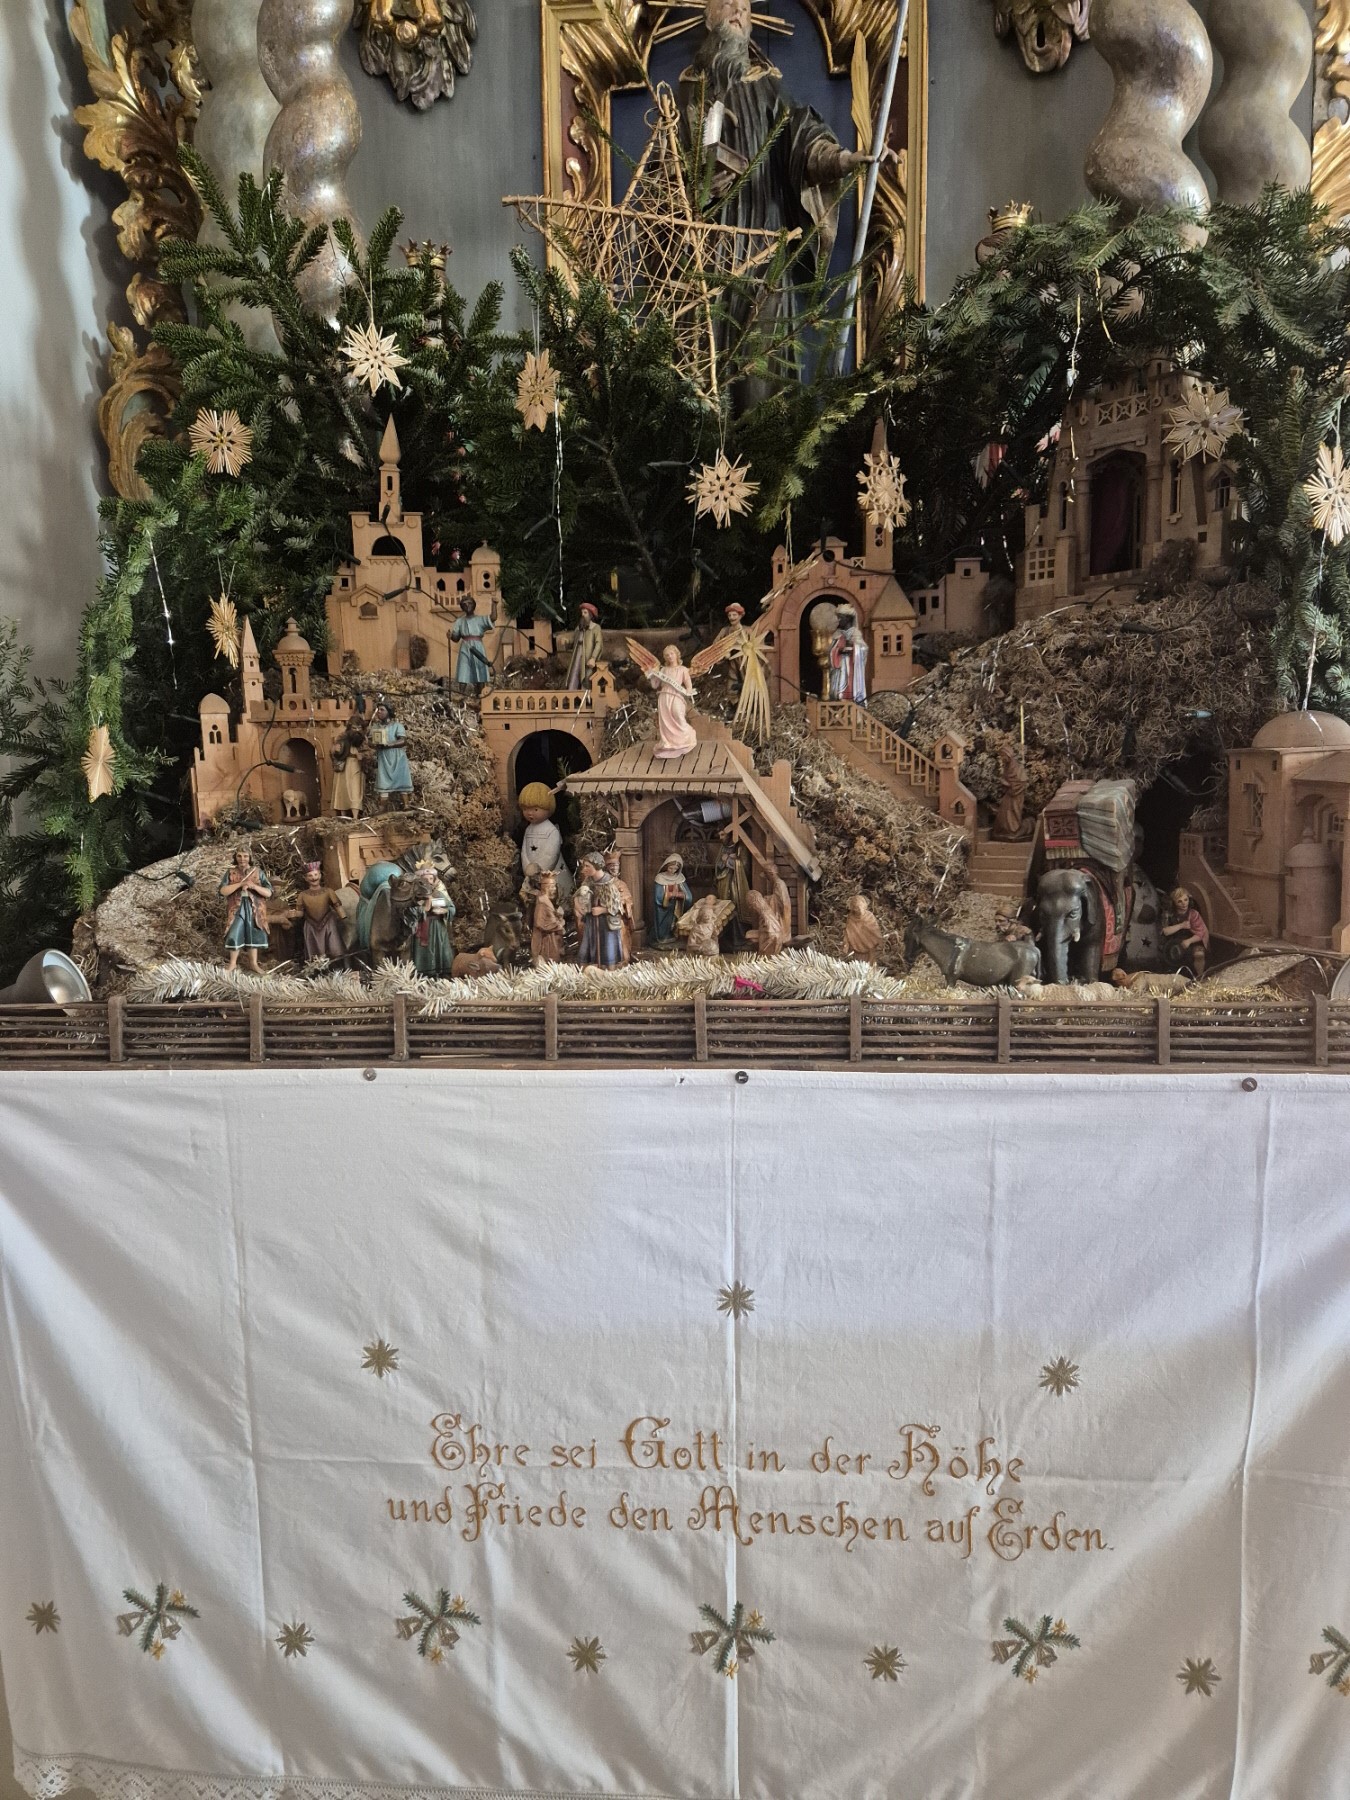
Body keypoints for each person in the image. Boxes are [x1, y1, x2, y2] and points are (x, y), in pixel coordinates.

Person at [678, 0, 878, 404]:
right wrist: (699, 186)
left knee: (761, 377)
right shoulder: (687, 92)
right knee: (705, 378)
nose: (738, 11)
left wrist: (841, 159)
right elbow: (665, 172)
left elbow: (804, 141)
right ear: (707, 16)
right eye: (727, 2)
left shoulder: (768, 87)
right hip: (705, 258)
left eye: (746, 6)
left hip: (764, 252)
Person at [219, 849, 273, 973]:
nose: (242, 859)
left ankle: (253, 963)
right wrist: (240, 884)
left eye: (245, 856)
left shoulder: (258, 872)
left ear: (250, 857)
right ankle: (233, 963)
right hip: (236, 907)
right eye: (239, 856)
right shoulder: (230, 872)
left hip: (254, 907)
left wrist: (253, 886)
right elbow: (223, 891)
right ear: (235, 857)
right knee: (234, 930)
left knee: (253, 930)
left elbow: (268, 892)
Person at [518, 781, 573, 903]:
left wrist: (541, 870)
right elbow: (524, 851)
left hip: (549, 873)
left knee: (555, 895)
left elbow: (551, 854)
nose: (530, 813)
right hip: (532, 873)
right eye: (526, 809)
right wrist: (527, 868)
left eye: (535, 809)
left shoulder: (551, 831)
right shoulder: (528, 829)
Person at [289, 862, 347, 964]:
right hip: (311, 926)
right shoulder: (302, 895)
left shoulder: (328, 891)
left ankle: (337, 966)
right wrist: (293, 914)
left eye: (316, 874)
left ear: (320, 875)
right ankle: (317, 969)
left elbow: (337, 906)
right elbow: (300, 913)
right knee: (314, 952)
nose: (313, 878)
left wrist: (344, 918)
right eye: (310, 876)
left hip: (328, 924)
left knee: (334, 947)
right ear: (305, 878)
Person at [573, 853, 623, 968]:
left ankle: (610, 971)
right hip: (591, 922)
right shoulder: (588, 882)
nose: (583, 869)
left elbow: (617, 906)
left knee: (607, 947)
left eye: (587, 866)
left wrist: (603, 910)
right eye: (584, 866)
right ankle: (585, 969)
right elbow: (578, 895)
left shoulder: (609, 883)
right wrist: (577, 903)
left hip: (606, 924)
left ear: (596, 866)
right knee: (587, 946)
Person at [649, 643, 698, 759]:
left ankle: (686, 738)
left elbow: (688, 685)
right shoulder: (663, 670)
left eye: (671, 654)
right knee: (665, 720)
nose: (669, 656)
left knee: (678, 716)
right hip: (664, 696)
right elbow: (655, 685)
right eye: (667, 655)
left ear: (676, 655)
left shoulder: (683, 669)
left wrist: (688, 692)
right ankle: (668, 743)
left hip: (676, 696)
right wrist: (652, 675)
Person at [407, 862, 455, 977]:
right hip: (422, 927)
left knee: (440, 950)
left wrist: (445, 911)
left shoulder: (438, 894)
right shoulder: (415, 896)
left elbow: (451, 908)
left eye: (431, 879)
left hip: (438, 928)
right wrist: (427, 905)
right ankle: (423, 974)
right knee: (424, 952)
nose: (428, 882)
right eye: (425, 879)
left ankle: (442, 974)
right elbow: (412, 912)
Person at [369, 699, 414, 807]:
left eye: (382, 710)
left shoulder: (397, 726)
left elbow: (403, 740)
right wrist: (375, 744)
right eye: (378, 710)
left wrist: (390, 744)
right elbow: (370, 741)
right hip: (384, 758)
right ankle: (382, 808)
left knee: (401, 779)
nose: (379, 712)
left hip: (397, 758)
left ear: (388, 711)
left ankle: (406, 805)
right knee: (383, 781)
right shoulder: (375, 726)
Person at [451, 595, 494, 694]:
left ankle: (480, 694)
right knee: (463, 669)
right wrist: (451, 636)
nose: (467, 606)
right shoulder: (459, 621)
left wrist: (494, 604)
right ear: (462, 607)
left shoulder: (480, 619)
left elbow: (493, 617)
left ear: (474, 605)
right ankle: (461, 694)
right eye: (464, 604)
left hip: (477, 646)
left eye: (469, 603)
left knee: (480, 668)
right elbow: (456, 638)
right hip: (465, 646)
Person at [1163, 885, 1208, 978]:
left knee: (1199, 954)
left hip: (1193, 941)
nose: (1184, 904)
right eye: (1179, 901)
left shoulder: (1194, 914)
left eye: (1185, 900)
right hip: (1174, 942)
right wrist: (1181, 925)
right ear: (1174, 903)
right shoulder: (1168, 915)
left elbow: (1200, 933)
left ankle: (1200, 977)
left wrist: (1189, 941)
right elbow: (1166, 931)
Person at [828, 605, 868, 703]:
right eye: (838, 617)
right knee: (840, 687)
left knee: (851, 684)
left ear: (848, 619)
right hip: (840, 666)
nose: (838, 620)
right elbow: (831, 651)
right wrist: (838, 651)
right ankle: (839, 700)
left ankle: (854, 700)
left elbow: (863, 649)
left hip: (852, 667)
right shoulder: (837, 635)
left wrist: (855, 649)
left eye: (841, 617)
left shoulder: (856, 634)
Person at [652, 854, 692, 945]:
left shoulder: (680, 878)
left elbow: (688, 895)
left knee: (675, 921)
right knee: (664, 922)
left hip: (677, 906)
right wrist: (669, 895)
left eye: (675, 869)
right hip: (663, 908)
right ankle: (662, 937)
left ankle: (674, 935)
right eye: (670, 868)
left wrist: (680, 895)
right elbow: (658, 896)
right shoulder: (660, 878)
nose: (672, 871)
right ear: (666, 866)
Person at [330, 716, 366, 819]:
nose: (357, 730)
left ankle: (355, 816)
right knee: (342, 789)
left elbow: (370, 752)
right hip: (344, 766)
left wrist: (363, 756)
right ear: (350, 728)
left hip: (356, 766)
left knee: (355, 791)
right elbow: (334, 752)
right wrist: (334, 750)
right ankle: (343, 816)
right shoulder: (342, 737)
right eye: (354, 728)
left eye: (359, 728)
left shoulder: (363, 739)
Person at [603, 851, 635, 965]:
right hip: (607, 917)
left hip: (620, 917)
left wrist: (626, 903)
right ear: (607, 867)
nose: (614, 868)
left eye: (616, 866)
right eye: (612, 866)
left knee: (622, 934)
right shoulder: (603, 883)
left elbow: (628, 898)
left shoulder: (621, 883)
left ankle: (624, 958)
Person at [531, 869, 567, 965]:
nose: (554, 889)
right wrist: (557, 925)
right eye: (552, 887)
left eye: (554, 886)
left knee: (553, 959)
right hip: (545, 939)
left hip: (551, 937)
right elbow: (539, 922)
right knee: (548, 960)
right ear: (545, 888)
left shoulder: (546, 901)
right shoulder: (542, 903)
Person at [566, 602, 605, 690]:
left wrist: (593, 658)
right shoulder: (578, 628)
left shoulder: (595, 628)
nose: (583, 615)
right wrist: (566, 641)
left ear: (590, 615)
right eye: (582, 612)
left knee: (587, 677)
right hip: (577, 655)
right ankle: (572, 694)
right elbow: (573, 640)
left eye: (585, 613)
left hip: (587, 657)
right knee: (574, 674)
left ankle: (586, 696)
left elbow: (598, 644)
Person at [843, 894, 883, 960]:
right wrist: (846, 944)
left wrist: (879, 941)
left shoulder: (869, 916)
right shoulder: (851, 918)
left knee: (871, 963)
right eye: (856, 907)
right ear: (853, 908)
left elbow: (875, 931)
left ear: (864, 906)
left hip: (871, 950)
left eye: (861, 906)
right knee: (859, 963)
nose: (859, 909)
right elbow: (848, 933)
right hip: (858, 950)